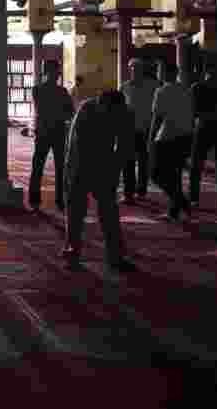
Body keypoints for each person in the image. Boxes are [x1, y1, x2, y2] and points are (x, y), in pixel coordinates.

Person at [62, 89, 138, 274]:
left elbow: (125, 146)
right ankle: (72, 252)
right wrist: (73, 176)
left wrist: (113, 172)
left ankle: (115, 256)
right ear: (100, 104)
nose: (112, 116)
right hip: (79, 163)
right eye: (108, 112)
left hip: (105, 162)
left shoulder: (124, 113)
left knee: (109, 212)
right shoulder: (86, 110)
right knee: (76, 211)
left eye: (115, 113)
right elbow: (76, 146)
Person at [149, 61, 194, 222]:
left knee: (155, 174)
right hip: (186, 137)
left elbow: (157, 118)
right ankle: (174, 211)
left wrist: (151, 139)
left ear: (166, 73)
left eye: (159, 70)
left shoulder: (161, 91)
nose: (158, 73)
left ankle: (182, 203)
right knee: (174, 175)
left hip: (167, 137)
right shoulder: (186, 90)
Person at [29, 59, 75, 212]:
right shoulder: (57, 91)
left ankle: (50, 200)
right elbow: (68, 112)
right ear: (50, 72)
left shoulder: (39, 90)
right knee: (46, 167)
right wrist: (60, 114)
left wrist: (57, 114)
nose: (57, 75)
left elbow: (68, 112)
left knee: (47, 167)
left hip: (47, 131)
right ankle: (53, 200)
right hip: (52, 131)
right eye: (56, 71)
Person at [189, 66, 217, 207]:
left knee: (198, 164)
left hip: (205, 126)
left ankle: (194, 198)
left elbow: (192, 109)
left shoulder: (197, 87)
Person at [119, 58, 161, 204]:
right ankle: (128, 193)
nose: (134, 71)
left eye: (137, 68)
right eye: (132, 68)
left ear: (142, 70)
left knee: (144, 162)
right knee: (128, 163)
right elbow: (120, 109)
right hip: (129, 130)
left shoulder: (153, 86)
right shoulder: (124, 87)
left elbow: (157, 108)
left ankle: (141, 191)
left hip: (146, 129)